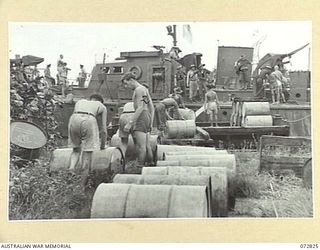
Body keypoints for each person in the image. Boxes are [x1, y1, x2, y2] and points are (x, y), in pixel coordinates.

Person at [120, 72, 154, 166]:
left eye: (126, 83)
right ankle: (151, 163)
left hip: (141, 117)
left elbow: (140, 107)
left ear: (131, 80)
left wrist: (130, 123)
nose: (126, 86)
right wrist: (150, 121)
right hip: (146, 116)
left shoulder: (139, 90)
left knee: (140, 146)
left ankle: (140, 166)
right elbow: (150, 106)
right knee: (147, 145)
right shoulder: (144, 89)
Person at [68, 94, 107, 172]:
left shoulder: (80, 102)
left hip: (74, 118)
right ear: (100, 101)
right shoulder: (101, 106)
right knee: (87, 152)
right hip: (89, 119)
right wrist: (102, 145)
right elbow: (104, 130)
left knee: (76, 149)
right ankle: (83, 179)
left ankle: (71, 168)